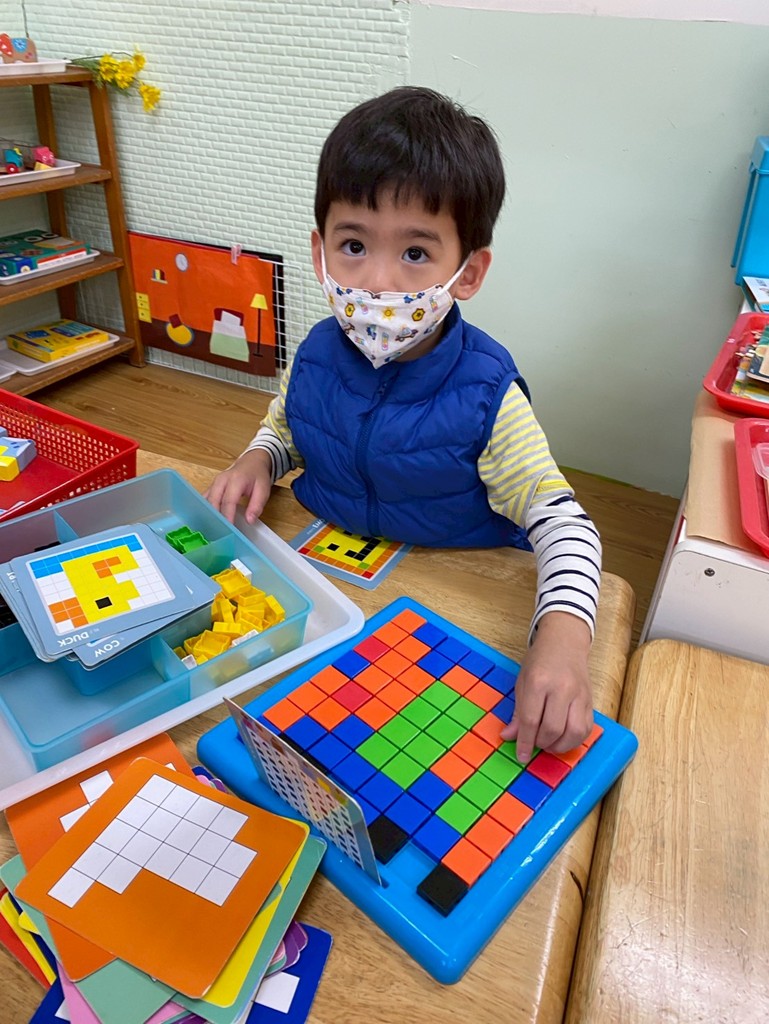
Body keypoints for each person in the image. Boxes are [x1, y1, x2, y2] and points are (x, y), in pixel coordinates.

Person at [206, 86, 601, 765]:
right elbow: (287, 429)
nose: (378, 280)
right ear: (320, 252)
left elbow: (565, 525)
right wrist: (259, 458)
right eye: (353, 244)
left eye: (415, 253)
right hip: (328, 592)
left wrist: (562, 640)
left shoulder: (486, 394)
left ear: (468, 272)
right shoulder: (315, 353)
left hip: (454, 600)